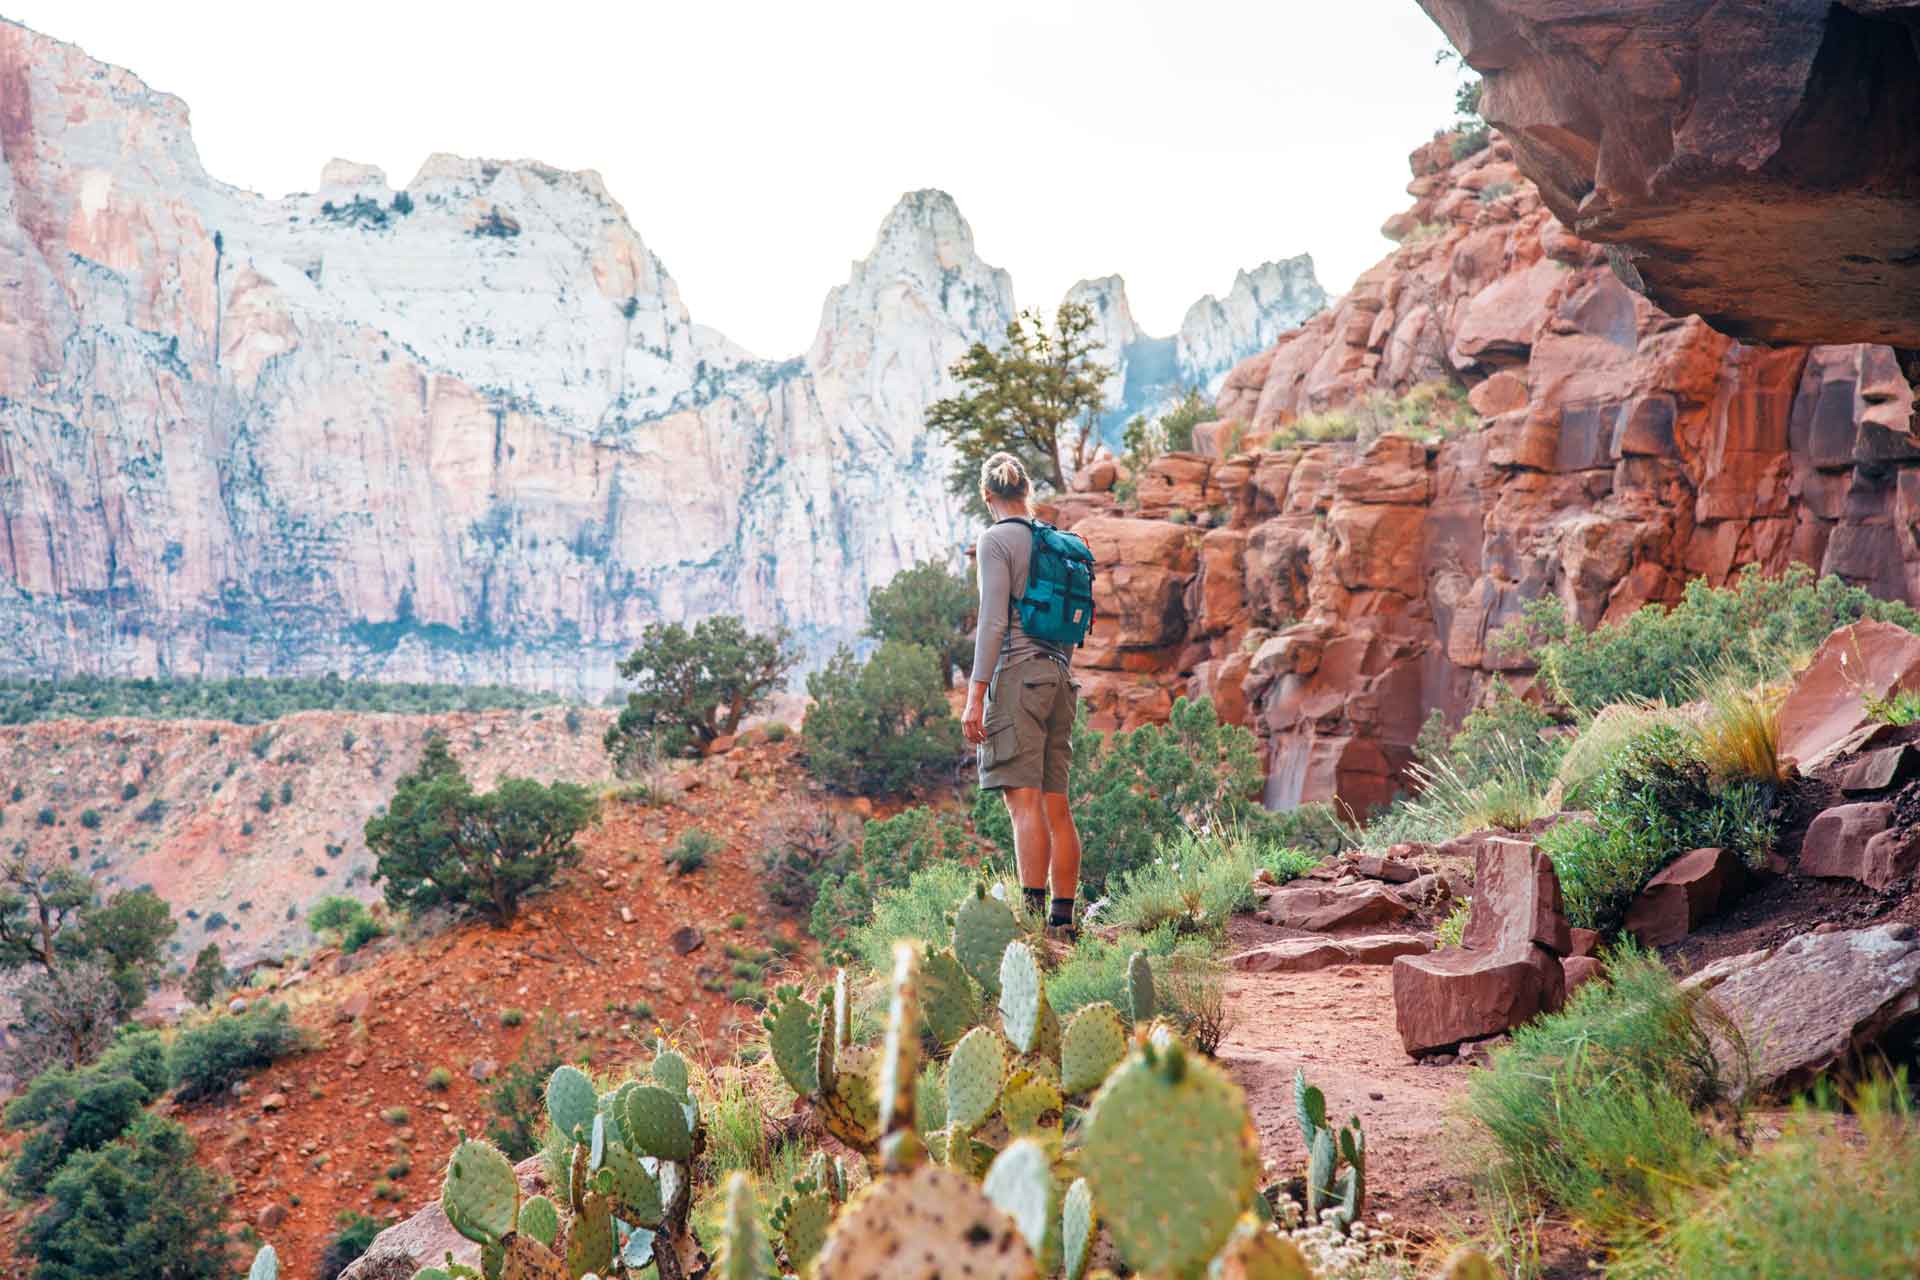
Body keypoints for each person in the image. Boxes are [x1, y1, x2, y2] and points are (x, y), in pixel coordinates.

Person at [961, 453, 1083, 938]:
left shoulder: (994, 540)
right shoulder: (1054, 540)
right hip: (1059, 678)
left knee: (1023, 806)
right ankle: (1063, 922)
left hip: (1016, 676)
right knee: (1058, 805)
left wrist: (976, 695)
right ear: (1026, 492)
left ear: (988, 497)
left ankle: (1032, 927)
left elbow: (993, 621)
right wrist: (1056, 671)